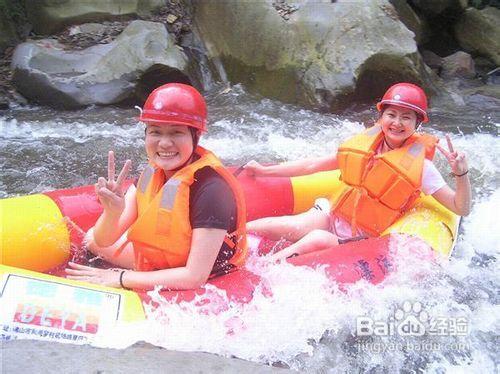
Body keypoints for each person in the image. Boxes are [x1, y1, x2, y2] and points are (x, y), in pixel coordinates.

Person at [244, 82, 471, 261]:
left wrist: (461, 174)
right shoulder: (363, 148)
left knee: (317, 239)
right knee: (289, 225)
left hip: (363, 236)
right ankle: (234, 238)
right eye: (391, 114)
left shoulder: (422, 168)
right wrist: (264, 171)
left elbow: (460, 208)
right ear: (381, 117)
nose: (397, 123)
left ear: (416, 124)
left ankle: (262, 269)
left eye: (406, 117)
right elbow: (312, 165)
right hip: (335, 215)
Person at [66, 83, 247, 290]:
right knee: (91, 238)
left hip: (207, 276)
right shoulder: (152, 173)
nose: (164, 143)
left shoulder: (212, 189)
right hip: (163, 261)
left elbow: (194, 276)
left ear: (195, 136)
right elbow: (103, 240)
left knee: (96, 244)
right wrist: (112, 213)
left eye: (176, 133)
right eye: (155, 132)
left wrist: (120, 278)